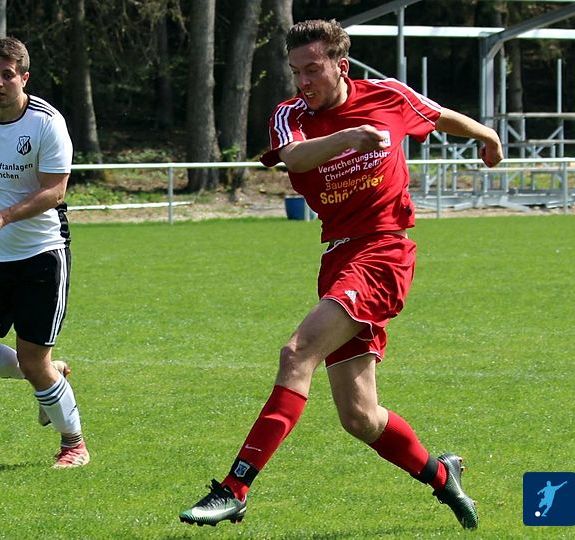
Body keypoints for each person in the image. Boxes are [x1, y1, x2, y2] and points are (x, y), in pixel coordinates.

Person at [179, 19, 503, 530]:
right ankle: (444, 475)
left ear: (341, 65)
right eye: (296, 71)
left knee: (297, 353)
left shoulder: (388, 96)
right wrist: (350, 136)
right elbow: (294, 158)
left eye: (312, 69)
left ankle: (234, 489)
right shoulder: (290, 115)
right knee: (360, 416)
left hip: (383, 252)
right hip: (337, 258)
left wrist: (487, 134)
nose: (303, 81)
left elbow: (437, 116)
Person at [0, 37, 89, 469]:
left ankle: (74, 444)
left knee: (32, 359)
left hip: (43, 255)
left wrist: (2, 217)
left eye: (8, 75)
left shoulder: (46, 122)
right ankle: (50, 373)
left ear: (24, 77)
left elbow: (55, 191)